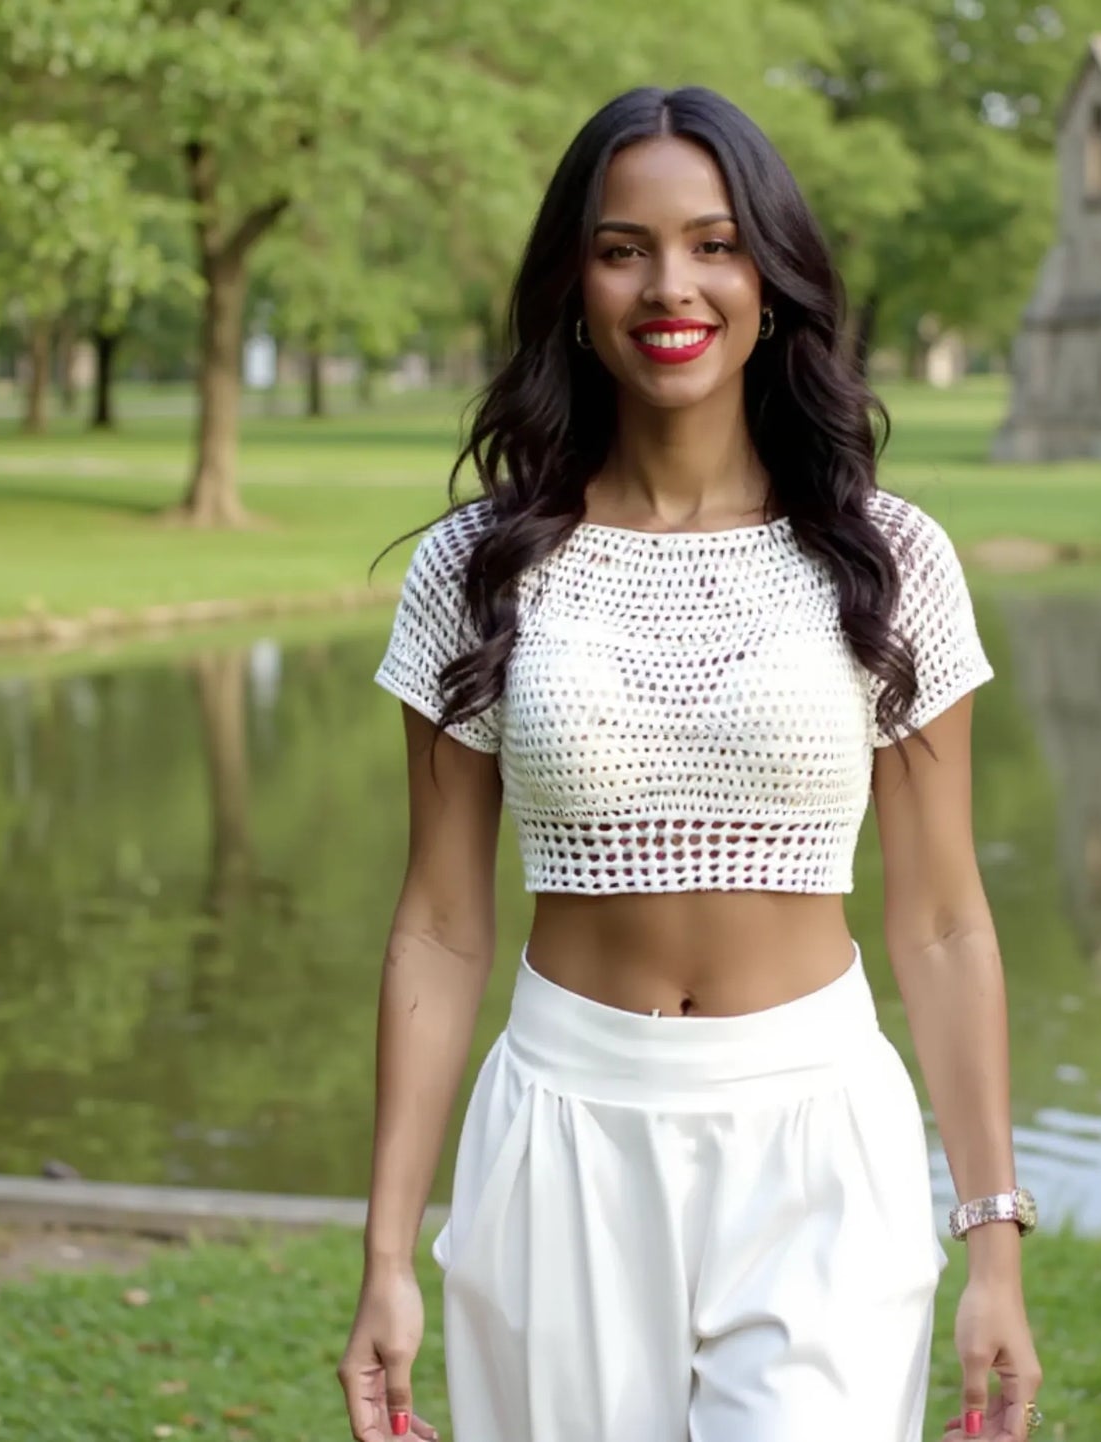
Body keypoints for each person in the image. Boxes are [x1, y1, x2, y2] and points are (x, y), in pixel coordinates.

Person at [337, 84, 1043, 1442]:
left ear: (770, 276)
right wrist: (384, 1254)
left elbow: (944, 920)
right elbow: (434, 926)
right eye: (624, 248)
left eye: (715, 243)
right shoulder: (475, 568)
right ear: (574, 283)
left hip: (817, 1138)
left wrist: (992, 1240)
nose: (673, 284)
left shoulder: (887, 559)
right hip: (560, 1134)